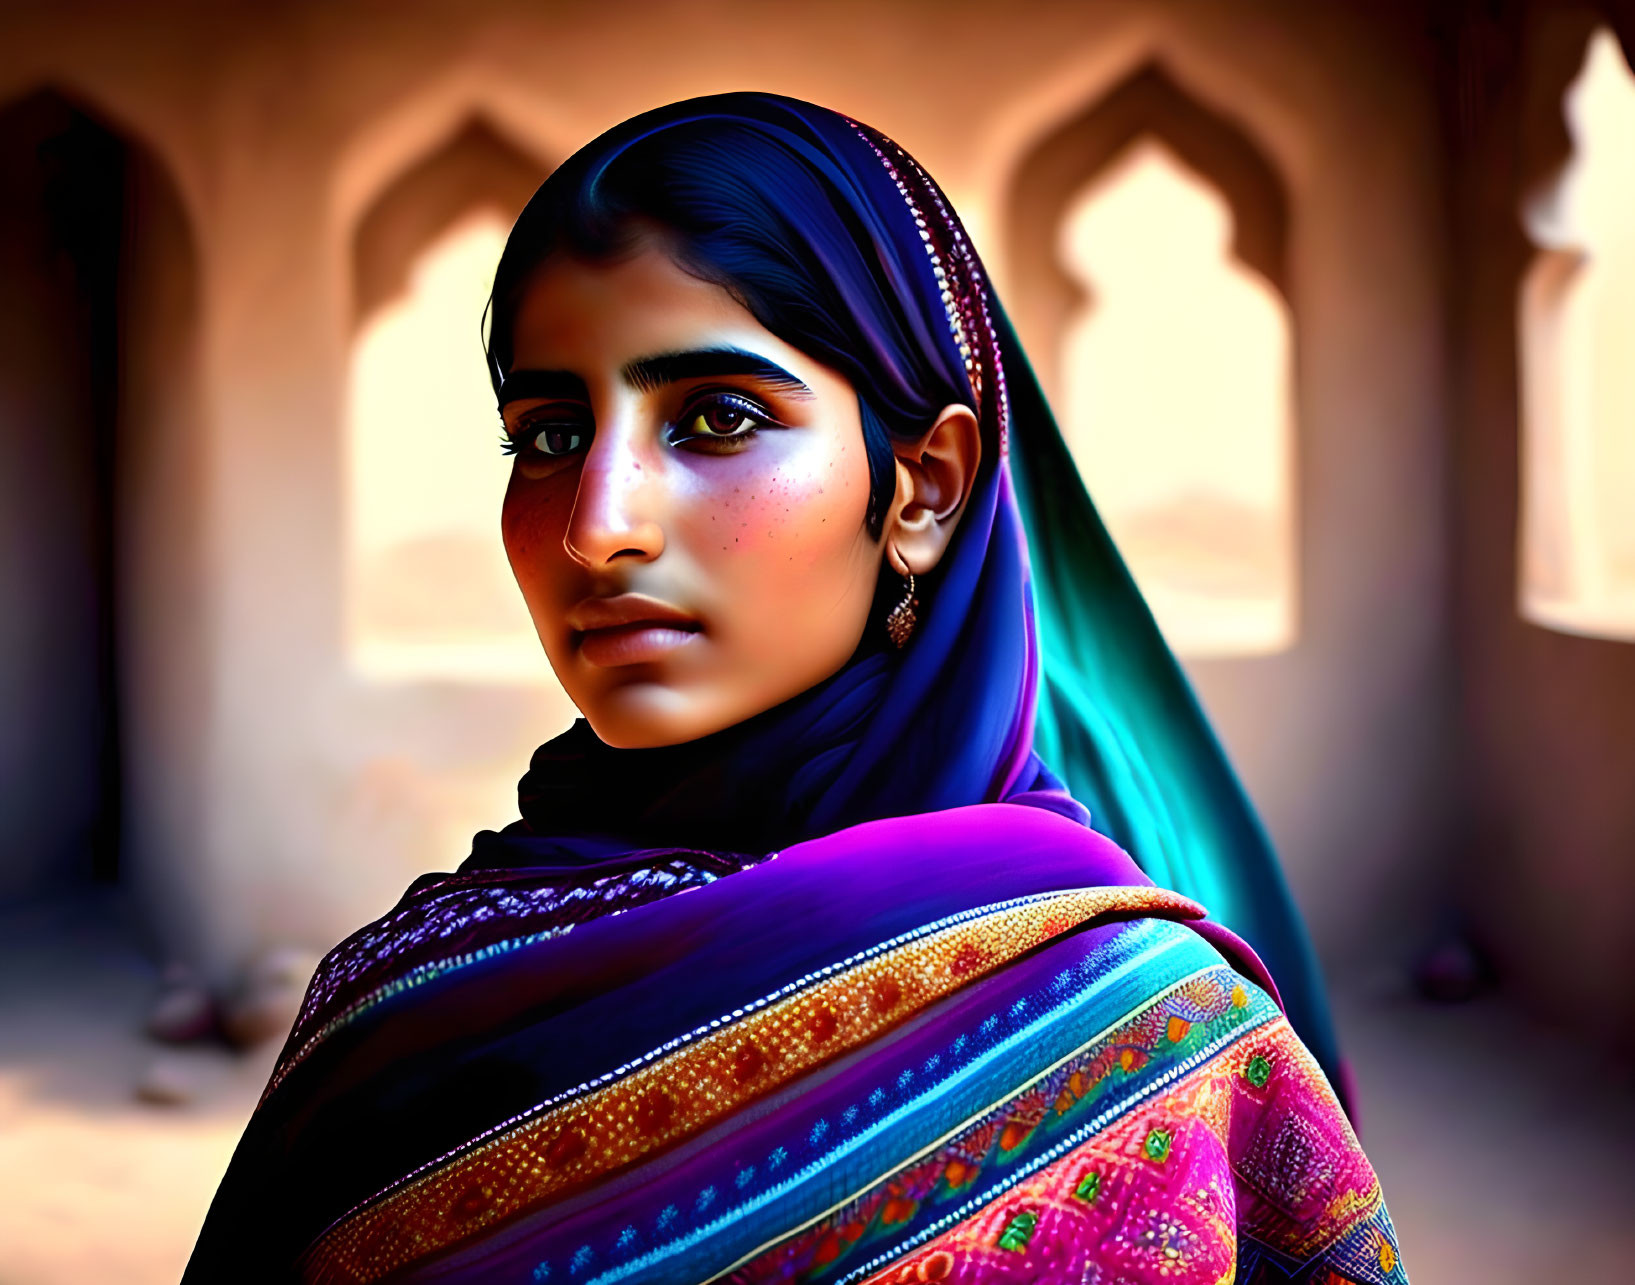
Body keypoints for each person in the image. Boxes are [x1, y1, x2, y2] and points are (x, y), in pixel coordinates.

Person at [186, 93, 1406, 1284]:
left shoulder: (1143, 1028)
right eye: (550, 433)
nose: (598, 527)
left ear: (923, 488)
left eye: (716, 417)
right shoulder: (402, 1014)